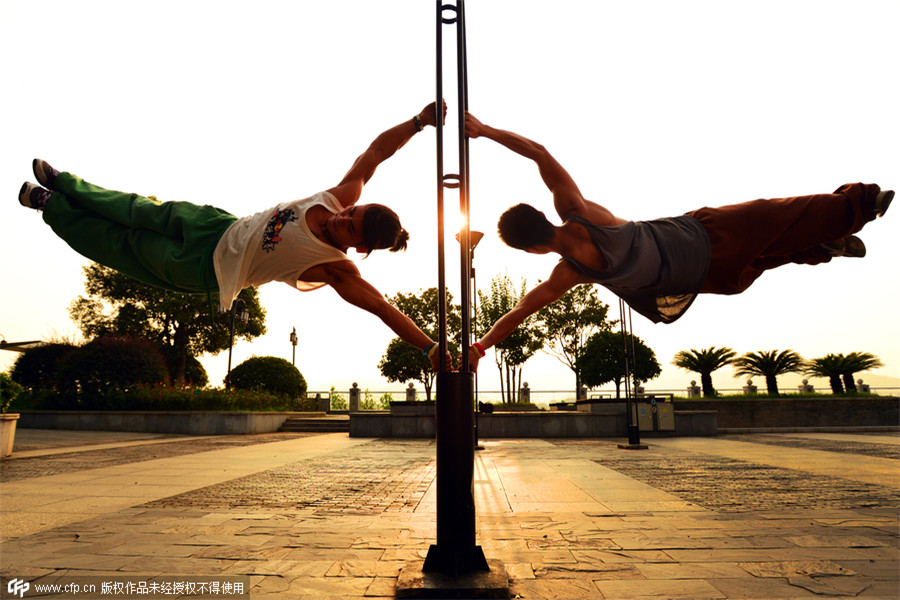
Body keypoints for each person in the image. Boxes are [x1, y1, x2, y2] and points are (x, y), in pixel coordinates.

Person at [18, 102, 451, 370]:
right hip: (215, 225)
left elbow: (383, 309)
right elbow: (376, 152)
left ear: (359, 247)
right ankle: (64, 182)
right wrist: (418, 122)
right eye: (351, 212)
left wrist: (431, 347)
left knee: (124, 246)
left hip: (207, 270)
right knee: (137, 209)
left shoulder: (336, 269)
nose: (342, 218)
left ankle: (50, 205)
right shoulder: (340, 197)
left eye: (349, 226)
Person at [462, 111, 893, 371]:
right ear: (542, 215)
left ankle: (823, 247)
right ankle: (861, 203)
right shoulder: (578, 212)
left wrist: (480, 346)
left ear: (532, 250)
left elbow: (519, 311)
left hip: (705, 277)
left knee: (763, 257)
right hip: (700, 235)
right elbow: (539, 152)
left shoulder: (567, 275)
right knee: (776, 216)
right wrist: (484, 130)